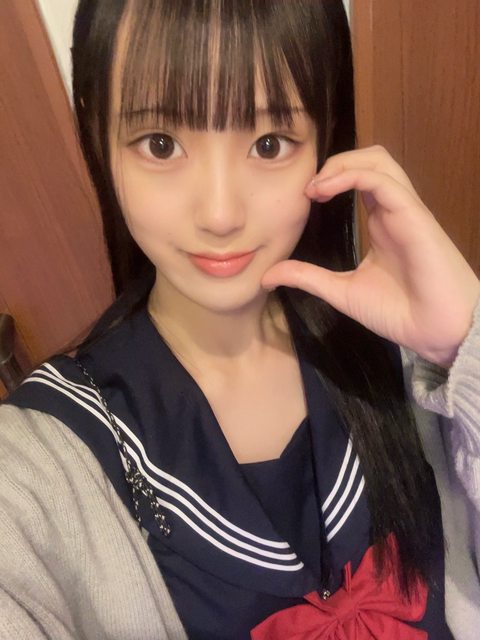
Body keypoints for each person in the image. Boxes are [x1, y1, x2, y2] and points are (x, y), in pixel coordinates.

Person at [0, 1, 479, 638]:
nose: (221, 214)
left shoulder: (414, 354)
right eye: (161, 144)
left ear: (326, 136)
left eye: (269, 144)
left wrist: (467, 345)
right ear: (98, 132)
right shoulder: (34, 470)